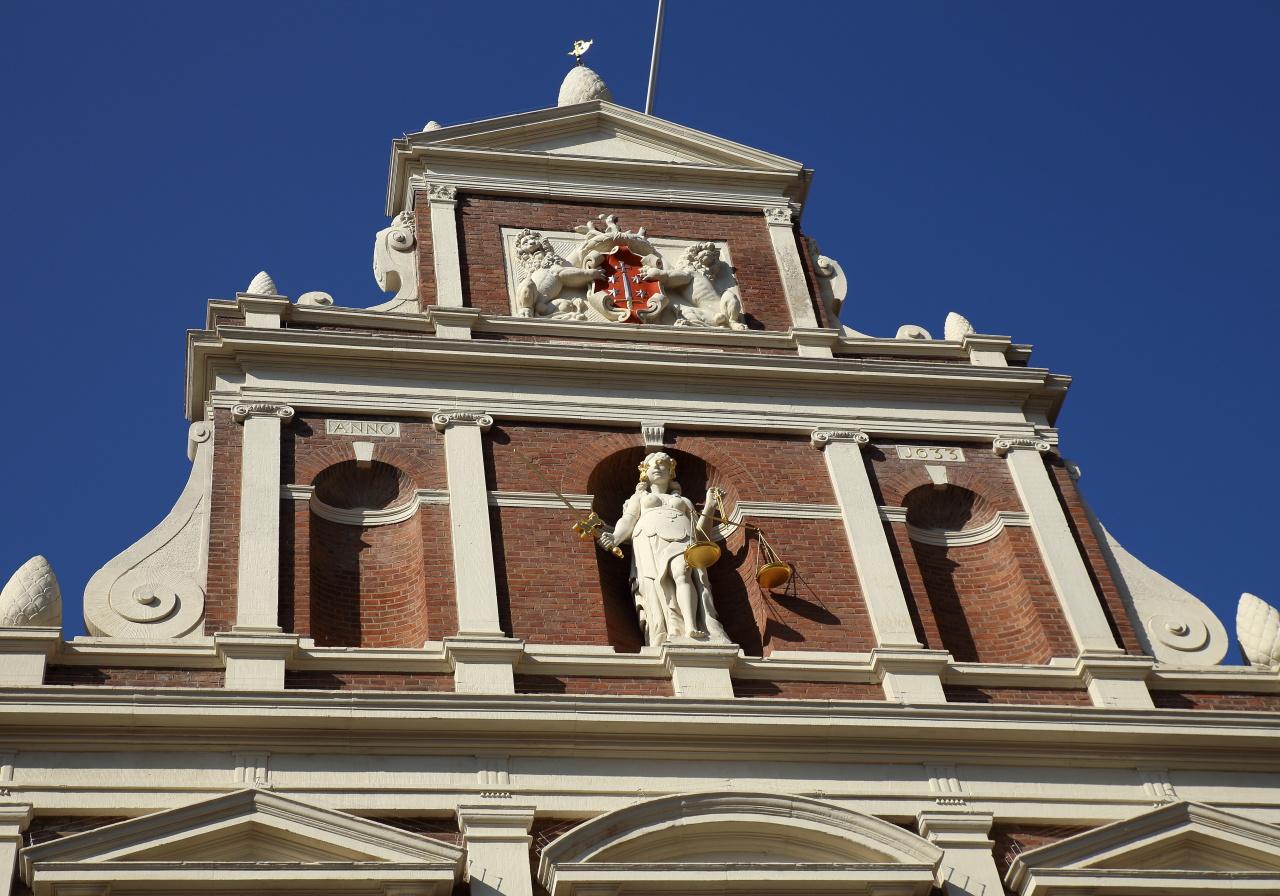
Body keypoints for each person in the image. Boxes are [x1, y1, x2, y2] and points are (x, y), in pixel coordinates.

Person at [597, 452, 730, 645]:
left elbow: (701, 534)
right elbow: (629, 519)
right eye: (654, 465)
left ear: (671, 473)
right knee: (660, 583)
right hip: (651, 541)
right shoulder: (640, 497)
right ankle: (672, 628)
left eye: (664, 466)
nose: (659, 468)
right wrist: (616, 537)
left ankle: (692, 625)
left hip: (684, 538)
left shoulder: (684, 502)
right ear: (645, 472)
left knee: (683, 573)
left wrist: (709, 506)